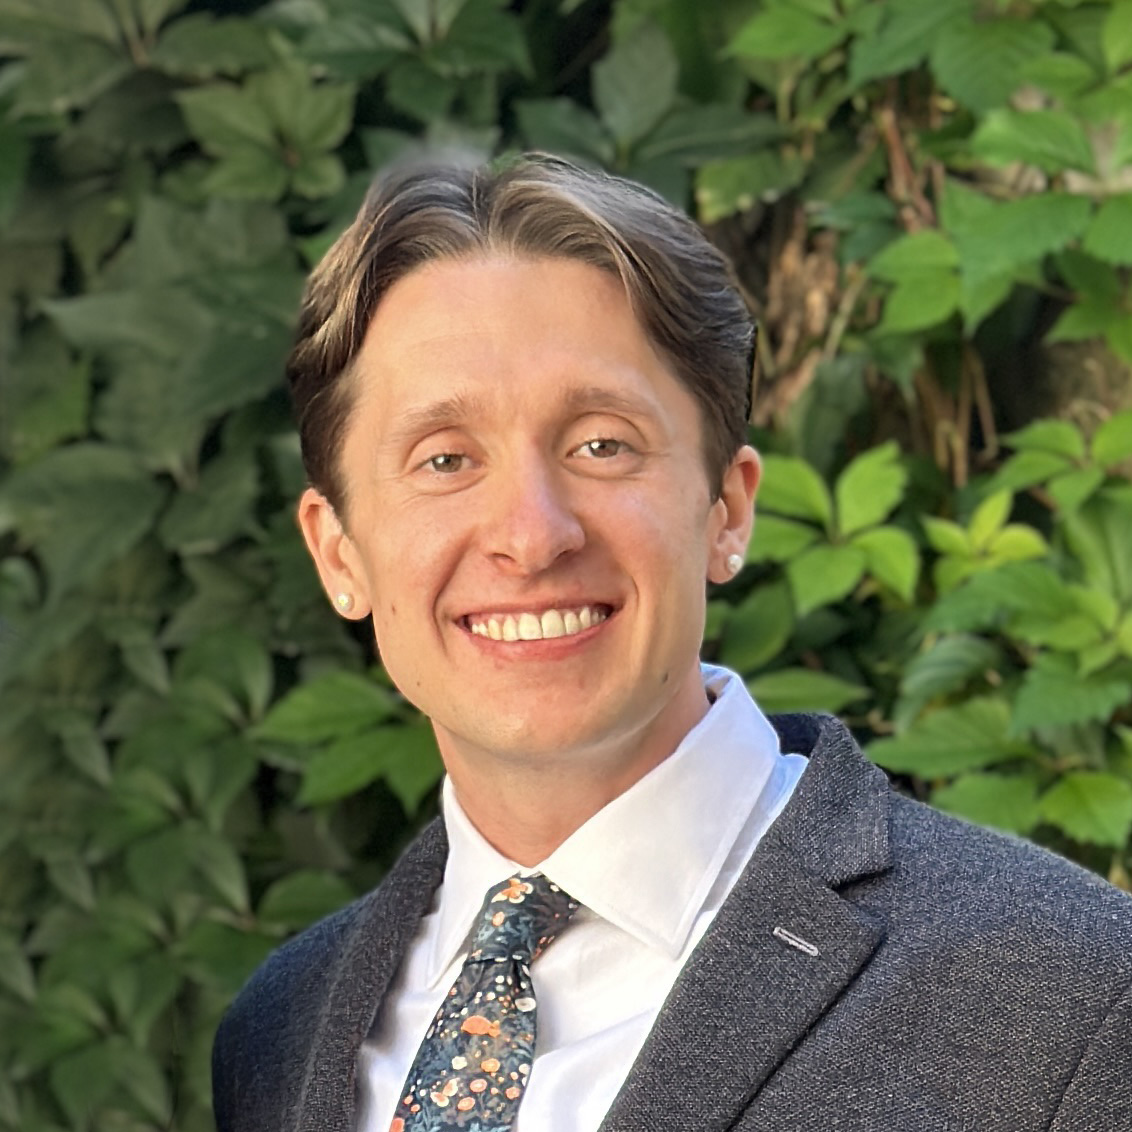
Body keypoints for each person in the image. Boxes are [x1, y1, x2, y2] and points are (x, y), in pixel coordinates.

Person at [211, 153, 1132, 1132]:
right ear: (339, 551)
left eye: (600, 444)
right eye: (445, 459)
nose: (531, 533)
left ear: (726, 507)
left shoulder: (1069, 994)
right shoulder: (280, 1031)